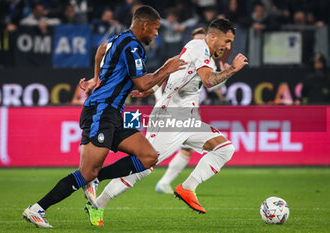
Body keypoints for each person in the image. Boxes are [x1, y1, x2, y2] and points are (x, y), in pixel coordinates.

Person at [22, 5, 186, 228]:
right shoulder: (132, 47)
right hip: (101, 110)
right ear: (144, 25)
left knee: (148, 156)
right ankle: (37, 209)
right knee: (86, 171)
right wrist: (167, 69)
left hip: (113, 113)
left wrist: (96, 78)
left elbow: (101, 49)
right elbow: (142, 83)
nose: (157, 33)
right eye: (155, 29)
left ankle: (96, 179)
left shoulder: (120, 38)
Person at [85, 18, 248, 226]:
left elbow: (174, 62)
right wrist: (233, 69)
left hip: (187, 120)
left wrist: (153, 84)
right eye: (226, 41)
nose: (228, 47)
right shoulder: (200, 46)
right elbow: (208, 81)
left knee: (225, 148)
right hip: (170, 117)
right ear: (213, 36)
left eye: (230, 43)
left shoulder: (198, 50)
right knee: (144, 166)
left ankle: (188, 188)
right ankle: (97, 199)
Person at [155, 26, 229, 194]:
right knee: (152, 155)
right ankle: (163, 182)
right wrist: (159, 99)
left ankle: (165, 183)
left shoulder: (207, 62)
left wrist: (224, 73)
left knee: (185, 150)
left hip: (189, 111)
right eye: (198, 40)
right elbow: (159, 78)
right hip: (172, 111)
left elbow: (213, 84)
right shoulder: (181, 58)